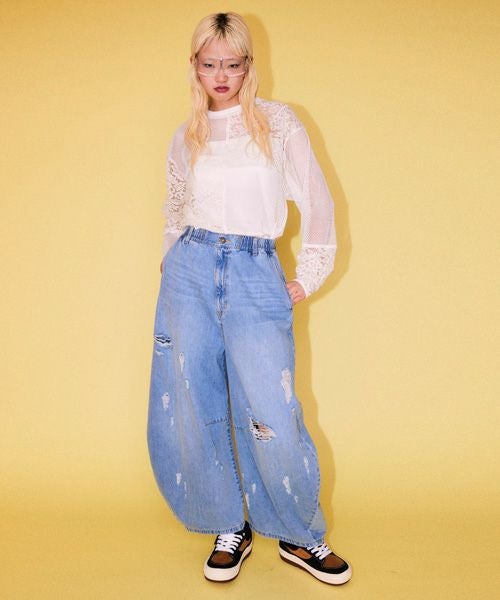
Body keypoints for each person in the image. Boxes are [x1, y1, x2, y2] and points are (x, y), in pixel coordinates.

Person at [147, 11, 352, 586]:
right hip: (189, 271)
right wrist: (169, 265)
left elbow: (319, 202)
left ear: (248, 67)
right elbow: (175, 212)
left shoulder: (277, 123)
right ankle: (226, 524)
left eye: (232, 64)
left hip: (254, 266)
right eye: (210, 64)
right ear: (194, 67)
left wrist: (308, 275)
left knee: (272, 409)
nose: (221, 76)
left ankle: (298, 533)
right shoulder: (185, 136)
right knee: (195, 400)